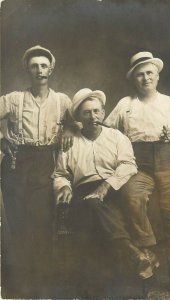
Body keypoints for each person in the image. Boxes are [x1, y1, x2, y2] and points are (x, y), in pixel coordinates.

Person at [53, 88, 160, 293]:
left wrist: (106, 186)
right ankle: (134, 255)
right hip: (81, 192)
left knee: (98, 205)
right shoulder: (70, 141)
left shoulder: (116, 137)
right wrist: (64, 188)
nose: (93, 117)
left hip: (114, 187)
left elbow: (128, 165)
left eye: (96, 111)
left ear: (103, 113)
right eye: (87, 113)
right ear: (79, 117)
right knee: (92, 204)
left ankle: (113, 278)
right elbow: (60, 174)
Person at [105, 51, 170, 299]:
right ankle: (149, 267)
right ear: (134, 79)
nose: (145, 78)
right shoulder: (125, 104)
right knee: (131, 199)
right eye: (140, 75)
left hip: (169, 160)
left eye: (149, 73)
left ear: (157, 75)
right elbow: (107, 131)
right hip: (137, 163)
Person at [0, 45, 72, 297]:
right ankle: (21, 285)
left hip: (46, 163)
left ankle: (42, 284)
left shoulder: (62, 100)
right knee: (19, 224)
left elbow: (76, 122)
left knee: (41, 223)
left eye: (43, 65)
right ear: (27, 70)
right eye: (34, 66)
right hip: (16, 163)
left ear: (50, 69)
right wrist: (1, 138)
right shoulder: (14, 99)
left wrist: (70, 130)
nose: (39, 70)